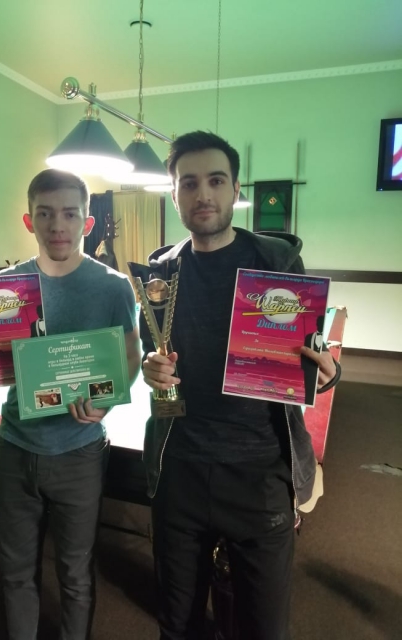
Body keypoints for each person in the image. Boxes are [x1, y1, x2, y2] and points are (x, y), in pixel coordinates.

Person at [139, 131, 341, 640]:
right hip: (180, 468)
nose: (203, 194)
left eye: (215, 180)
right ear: (174, 194)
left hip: (260, 473)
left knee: (264, 629)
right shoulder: (160, 274)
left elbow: (311, 350)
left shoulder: (277, 262)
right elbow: (151, 351)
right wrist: (149, 368)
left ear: (235, 189)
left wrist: (327, 372)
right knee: (177, 626)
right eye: (189, 183)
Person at [0, 169, 141, 640]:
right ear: (28, 220)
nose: (58, 225)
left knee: (75, 573)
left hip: (80, 450)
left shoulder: (114, 286)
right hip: (15, 445)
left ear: (87, 222)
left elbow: (131, 355)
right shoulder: (3, 287)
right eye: (45, 213)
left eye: (70, 214)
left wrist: (105, 402)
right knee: (15, 571)